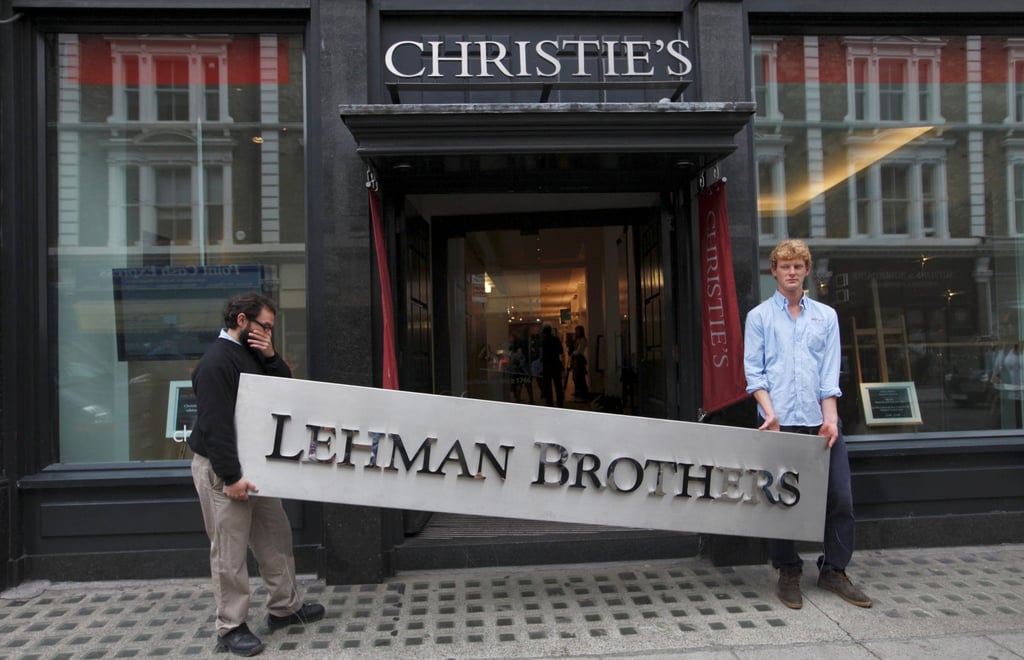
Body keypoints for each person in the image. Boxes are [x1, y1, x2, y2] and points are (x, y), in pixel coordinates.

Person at [188, 292, 324, 656]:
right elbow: (215, 426)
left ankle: (285, 607)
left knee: (275, 537)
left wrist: (270, 355)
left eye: (271, 328)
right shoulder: (216, 363)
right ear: (241, 320)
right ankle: (230, 627)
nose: (268, 332)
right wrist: (231, 478)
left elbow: (283, 392)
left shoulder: (252, 353)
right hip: (224, 470)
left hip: (255, 465)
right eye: (264, 326)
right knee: (229, 552)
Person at [743, 239, 872, 610]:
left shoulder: (826, 316)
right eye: (785, 266)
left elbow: (829, 372)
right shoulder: (760, 318)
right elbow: (755, 372)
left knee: (839, 498)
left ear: (807, 270)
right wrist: (768, 412)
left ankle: (834, 570)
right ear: (775, 271)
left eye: (798, 266)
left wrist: (830, 418)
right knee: (781, 501)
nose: (792, 272)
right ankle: (788, 571)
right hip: (778, 423)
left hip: (821, 423)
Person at [539, 323, 565, 407]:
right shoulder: (556, 339)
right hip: (555, 363)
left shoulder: (544, 341)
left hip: (547, 365)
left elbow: (542, 354)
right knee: (558, 384)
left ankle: (549, 401)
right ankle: (560, 401)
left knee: (547, 385)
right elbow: (561, 351)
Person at [570, 325, 590, 400]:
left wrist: (573, 353)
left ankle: (583, 393)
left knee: (580, 377)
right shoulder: (577, 339)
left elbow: (579, 351)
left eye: (577, 330)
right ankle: (578, 392)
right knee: (576, 377)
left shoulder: (583, 340)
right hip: (576, 360)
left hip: (579, 360)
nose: (576, 332)